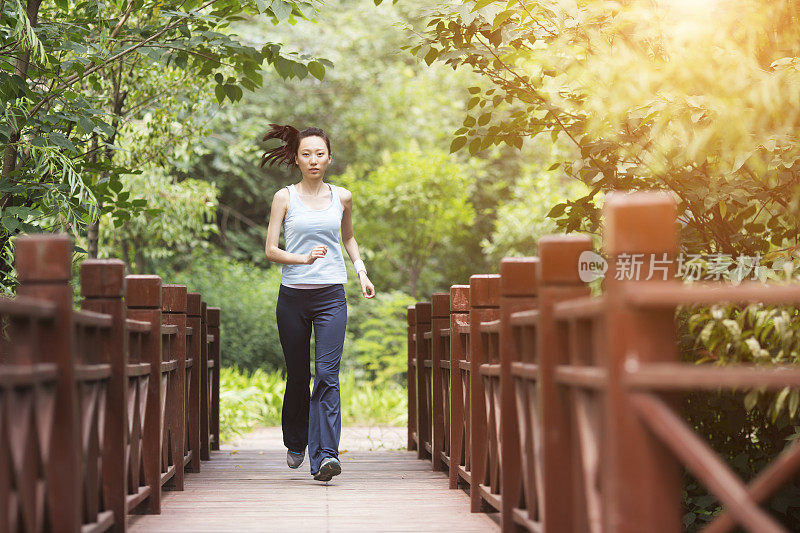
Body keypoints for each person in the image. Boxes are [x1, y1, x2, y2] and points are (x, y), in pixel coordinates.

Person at [263, 124, 375, 482]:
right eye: (306, 154)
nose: (313, 160)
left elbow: (349, 237)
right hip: (293, 297)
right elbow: (270, 250)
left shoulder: (342, 197)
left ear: (329, 157)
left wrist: (361, 271)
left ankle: (326, 455)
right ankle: (295, 441)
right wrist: (303, 259)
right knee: (299, 376)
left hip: (331, 296)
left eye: (320, 154)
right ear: (296, 158)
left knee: (328, 375)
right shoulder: (284, 197)